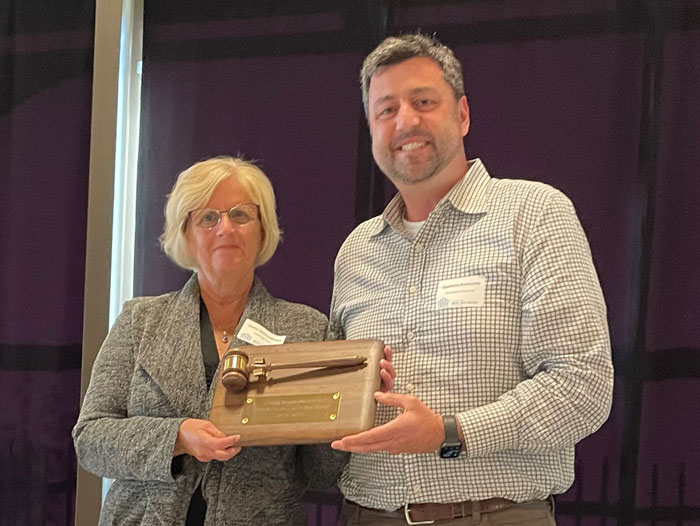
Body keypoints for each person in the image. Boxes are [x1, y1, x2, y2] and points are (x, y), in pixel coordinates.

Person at [328, 33, 614, 525]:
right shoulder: (356, 251)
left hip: (493, 516)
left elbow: (582, 385)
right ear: (372, 129)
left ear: (462, 115)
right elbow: (336, 396)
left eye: (423, 102)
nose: (406, 121)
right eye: (387, 110)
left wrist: (450, 433)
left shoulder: (534, 215)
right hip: (365, 515)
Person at [73, 156, 353, 525]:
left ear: (263, 230)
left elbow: (321, 470)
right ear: (186, 234)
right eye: (208, 217)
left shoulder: (309, 329)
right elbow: (90, 440)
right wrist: (177, 437)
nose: (225, 228)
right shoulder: (139, 322)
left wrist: (351, 404)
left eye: (240, 215)